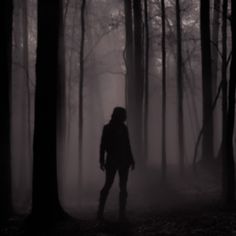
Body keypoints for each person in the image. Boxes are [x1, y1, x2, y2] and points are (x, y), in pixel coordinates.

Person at [97, 107, 135, 221]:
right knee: (108, 185)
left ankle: (121, 214)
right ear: (119, 116)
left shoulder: (123, 128)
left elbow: (127, 145)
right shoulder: (107, 128)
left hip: (123, 161)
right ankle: (100, 212)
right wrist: (101, 161)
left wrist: (132, 160)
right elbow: (103, 146)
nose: (125, 117)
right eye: (124, 115)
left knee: (123, 187)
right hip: (113, 160)